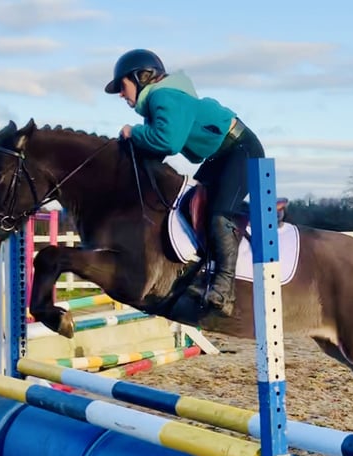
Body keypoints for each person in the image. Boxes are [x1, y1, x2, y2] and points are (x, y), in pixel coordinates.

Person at [105, 48, 265, 317]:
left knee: (217, 214)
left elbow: (167, 141)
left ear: (140, 77)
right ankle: (202, 272)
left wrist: (133, 132)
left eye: (122, 86)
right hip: (221, 156)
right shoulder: (157, 100)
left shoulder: (163, 95)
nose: (121, 94)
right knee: (189, 206)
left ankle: (224, 289)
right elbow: (157, 150)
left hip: (241, 151)